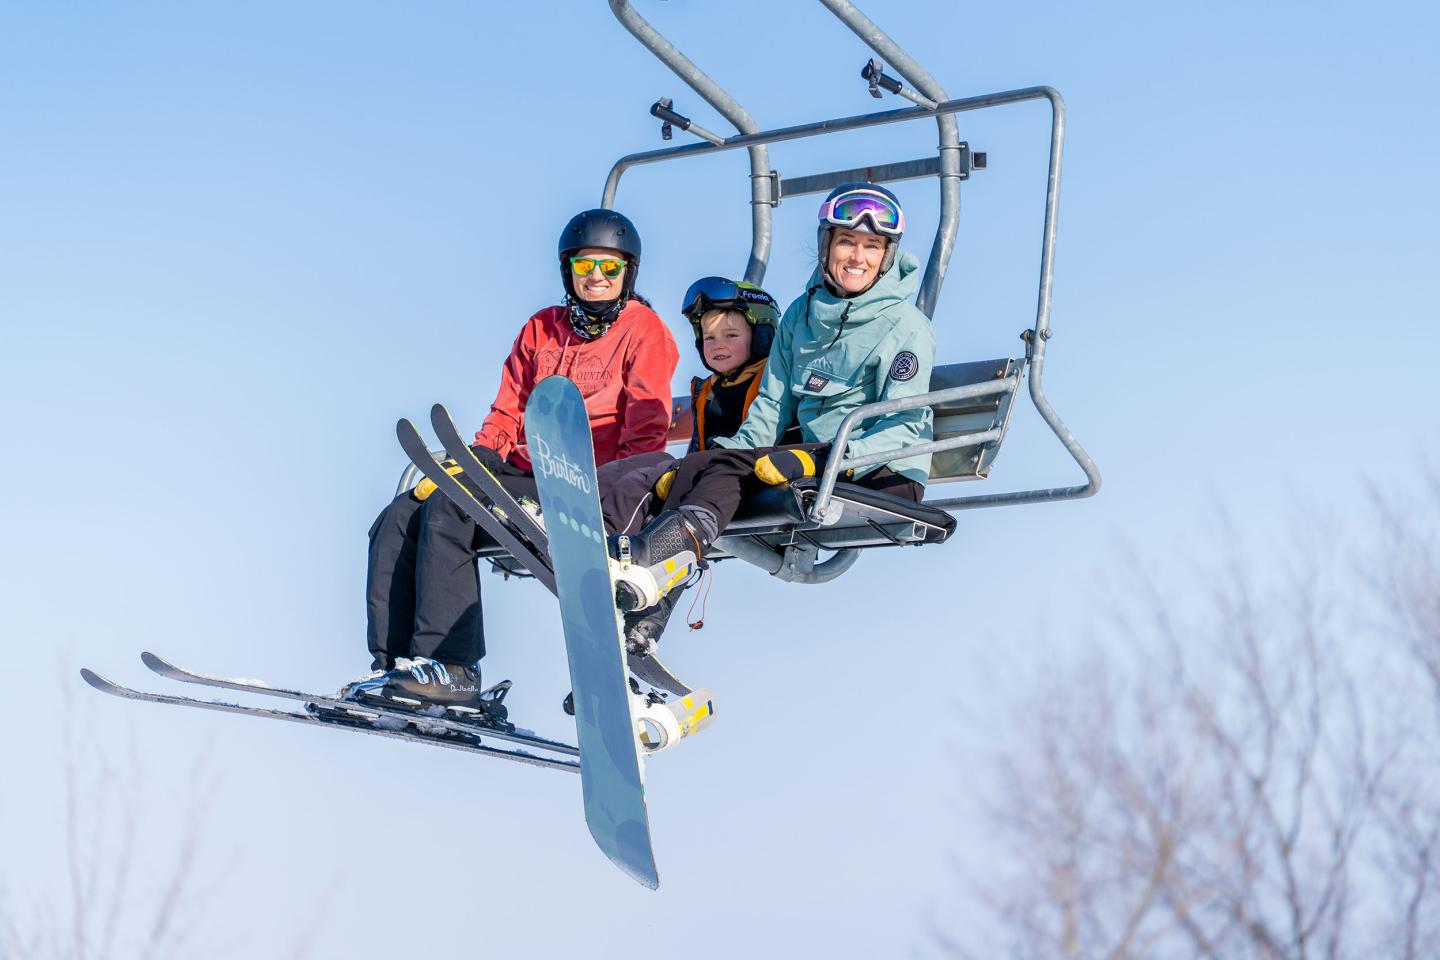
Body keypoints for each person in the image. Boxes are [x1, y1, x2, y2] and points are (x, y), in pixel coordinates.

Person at [349, 208, 680, 708]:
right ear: (568, 269)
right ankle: (399, 666)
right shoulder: (541, 327)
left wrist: (617, 496)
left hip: (584, 479)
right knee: (398, 516)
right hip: (520, 470)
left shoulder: (643, 329)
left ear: (627, 273)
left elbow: (646, 428)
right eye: (586, 265)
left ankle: (453, 665)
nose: (596, 276)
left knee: (453, 509)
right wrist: (477, 456)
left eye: (609, 268)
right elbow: (508, 408)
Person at [605, 182, 936, 613]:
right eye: (847, 242)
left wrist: (826, 458)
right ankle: (644, 587)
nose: (858, 257)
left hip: (881, 470)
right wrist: (704, 462)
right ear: (827, 245)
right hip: (818, 460)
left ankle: (657, 559)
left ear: (887, 255)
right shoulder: (801, 315)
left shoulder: (905, 326)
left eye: (872, 246)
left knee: (727, 470)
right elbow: (770, 409)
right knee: (716, 463)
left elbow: (905, 428)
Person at [598, 276, 787, 653]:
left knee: (650, 479)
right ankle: (578, 518)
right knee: (646, 465)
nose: (717, 346)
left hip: (751, 477)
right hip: (708, 478)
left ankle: (606, 547)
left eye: (731, 336)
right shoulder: (710, 389)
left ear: (762, 335)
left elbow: (765, 438)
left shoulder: (772, 380)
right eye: (709, 337)